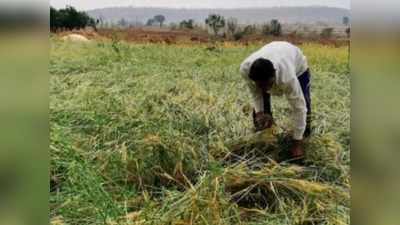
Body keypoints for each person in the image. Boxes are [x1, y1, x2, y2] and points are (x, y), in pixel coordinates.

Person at [240, 41, 312, 161]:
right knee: (262, 114)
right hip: (273, 52)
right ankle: (265, 138)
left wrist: (297, 143)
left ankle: (303, 137)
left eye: (267, 84)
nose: (265, 89)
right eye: (260, 85)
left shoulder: (287, 78)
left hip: (298, 66)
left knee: (304, 103)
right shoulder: (245, 70)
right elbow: (256, 94)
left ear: (274, 75)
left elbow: (299, 108)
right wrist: (259, 112)